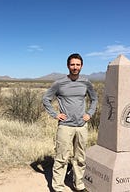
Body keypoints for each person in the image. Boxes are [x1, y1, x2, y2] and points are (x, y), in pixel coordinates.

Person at [43, 53, 98, 192]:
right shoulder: (59, 83)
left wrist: (89, 113)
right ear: (68, 66)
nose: (75, 67)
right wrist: (55, 115)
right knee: (62, 158)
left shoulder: (86, 82)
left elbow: (94, 99)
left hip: (81, 126)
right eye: (72, 64)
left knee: (80, 158)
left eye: (77, 65)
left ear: (81, 66)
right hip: (65, 126)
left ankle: (79, 185)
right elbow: (46, 99)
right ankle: (58, 187)